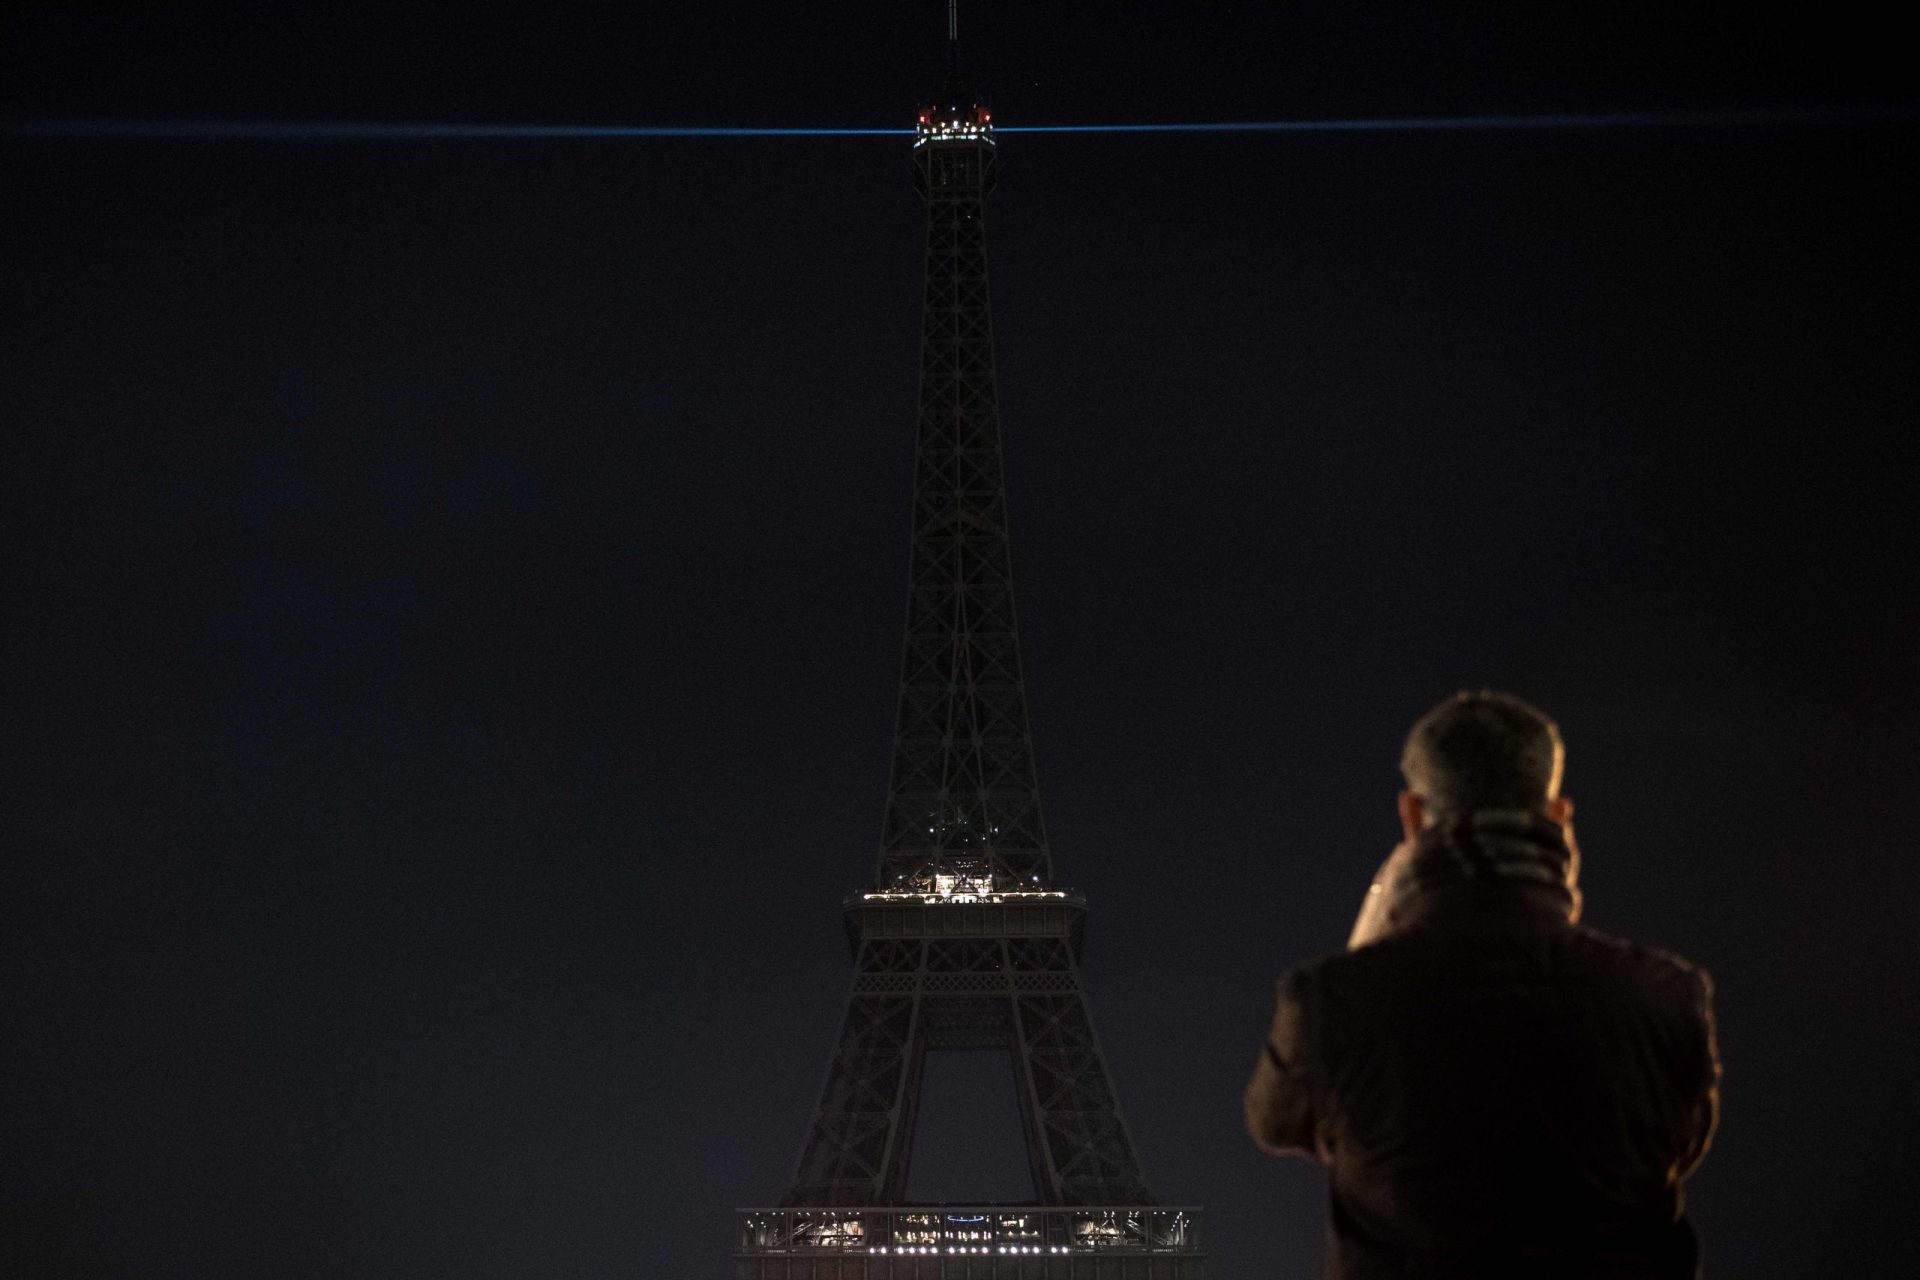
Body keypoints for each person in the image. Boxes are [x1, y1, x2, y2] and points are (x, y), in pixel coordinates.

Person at [1245, 691, 1720, 1278]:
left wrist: (1368, 944)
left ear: (1413, 818)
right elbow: (1679, 1147)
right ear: (1558, 819)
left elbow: (1275, 1121)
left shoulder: (1332, 1001)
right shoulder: (1666, 998)